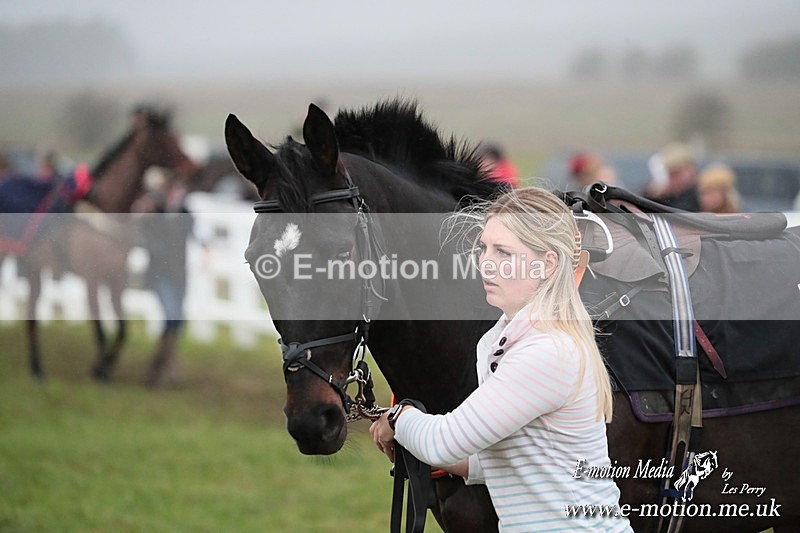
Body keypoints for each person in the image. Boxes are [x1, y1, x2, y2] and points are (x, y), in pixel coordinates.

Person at [370, 188, 631, 532]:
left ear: (547, 264)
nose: (486, 262)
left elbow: (443, 440)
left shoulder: (547, 351)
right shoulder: (500, 341)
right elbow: (498, 459)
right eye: (484, 248)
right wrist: (410, 436)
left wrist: (399, 419)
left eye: (504, 252)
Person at [134, 175, 196, 387]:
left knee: (176, 321)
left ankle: (161, 364)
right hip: (161, 275)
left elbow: (197, 233)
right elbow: (141, 228)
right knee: (171, 316)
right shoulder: (155, 211)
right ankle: (169, 368)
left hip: (179, 275)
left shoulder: (184, 213)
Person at [643, 142, 700, 211]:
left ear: (690, 169)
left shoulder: (702, 192)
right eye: (669, 173)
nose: (672, 178)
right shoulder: (666, 194)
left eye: (676, 172)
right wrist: (654, 196)